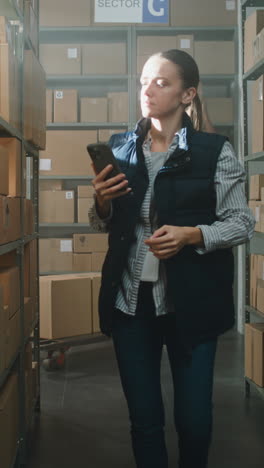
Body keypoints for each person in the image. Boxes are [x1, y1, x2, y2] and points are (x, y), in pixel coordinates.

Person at [89, 49, 255, 468]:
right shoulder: (121, 149)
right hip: (132, 304)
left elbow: (241, 223)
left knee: (194, 420)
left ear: (188, 94)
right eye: (144, 80)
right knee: (144, 421)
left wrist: (193, 235)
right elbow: (102, 223)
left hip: (192, 305)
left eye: (162, 82)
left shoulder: (216, 151)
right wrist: (103, 204)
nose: (148, 90)